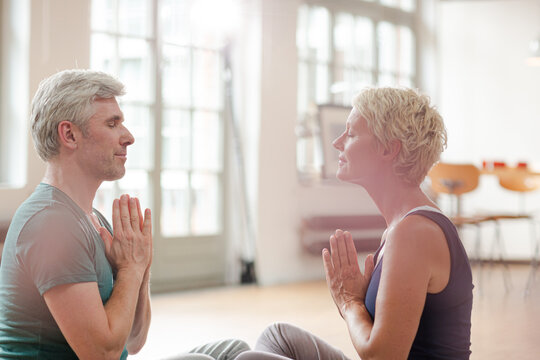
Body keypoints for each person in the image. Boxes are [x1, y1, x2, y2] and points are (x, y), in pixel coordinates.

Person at [0, 69, 248, 359]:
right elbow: (102, 355)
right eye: (112, 123)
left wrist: (140, 267)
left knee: (234, 350)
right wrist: (130, 270)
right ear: (69, 134)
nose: (128, 137)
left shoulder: (92, 219)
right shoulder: (50, 223)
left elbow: (133, 340)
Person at [237, 87, 473, 360]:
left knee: (247, 358)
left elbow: (381, 356)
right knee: (276, 336)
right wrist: (359, 304)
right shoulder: (400, 228)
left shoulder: (414, 233)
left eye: (350, 134)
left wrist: (351, 303)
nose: (337, 142)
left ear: (388, 148)